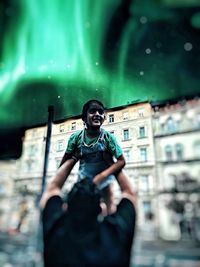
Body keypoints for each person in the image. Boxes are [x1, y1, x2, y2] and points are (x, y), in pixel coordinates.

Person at [40, 158, 136, 267]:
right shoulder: (115, 236)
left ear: (66, 207)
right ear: (101, 210)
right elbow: (129, 193)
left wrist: (73, 157)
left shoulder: (56, 231)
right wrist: (112, 165)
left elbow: (52, 189)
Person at [59, 99, 126, 213]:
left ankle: (109, 223)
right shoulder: (76, 138)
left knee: (110, 204)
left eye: (100, 112)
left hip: (105, 179)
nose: (97, 114)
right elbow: (65, 161)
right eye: (92, 111)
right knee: (82, 208)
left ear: (104, 118)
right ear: (84, 118)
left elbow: (121, 161)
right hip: (84, 178)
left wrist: (101, 177)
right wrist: (60, 180)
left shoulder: (108, 138)